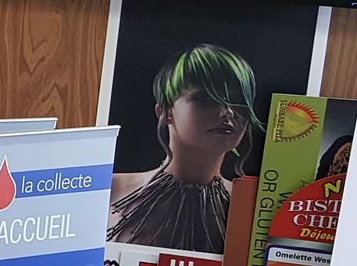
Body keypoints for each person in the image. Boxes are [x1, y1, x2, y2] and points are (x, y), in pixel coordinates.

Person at [107, 43, 263, 253]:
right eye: (206, 98)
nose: (227, 112)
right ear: (164, 111)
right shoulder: (108, 191)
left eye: (238, 101)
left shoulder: (258, 208)